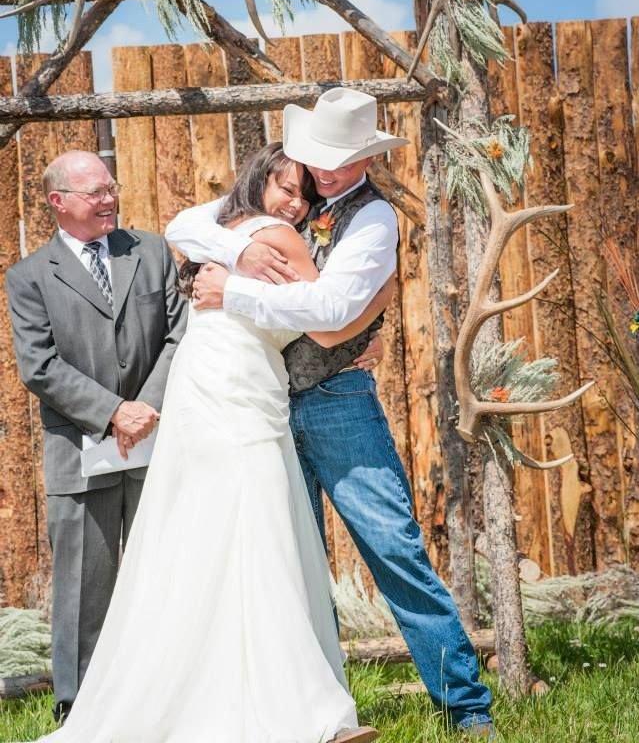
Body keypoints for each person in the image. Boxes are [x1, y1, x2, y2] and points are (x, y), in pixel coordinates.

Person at [29, 142, 387, 743]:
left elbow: (190, 230)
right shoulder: (278, 236)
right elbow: (324, 321)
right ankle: (293, 707)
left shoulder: (219, 230)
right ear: (258, 182)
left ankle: (199, 689)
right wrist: (371, 314)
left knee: (201, 531)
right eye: (284, 188)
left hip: (206, 381)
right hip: (237, 389)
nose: (294, 204)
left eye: (304, 194)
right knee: (258, 526)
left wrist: (237, 268)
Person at [166, 87, 495, 738]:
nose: (326, 172)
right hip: (260, 407)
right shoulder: (291, 194)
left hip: (335, 399)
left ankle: (465, 704)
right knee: (290, 562)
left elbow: (329, 315)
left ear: (367, 158)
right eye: (319, 158)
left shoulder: (371, 220)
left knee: (391, 548)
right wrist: (241, 254)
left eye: (341, 161)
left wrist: (232, 288)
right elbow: (184, 224)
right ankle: (315, 710)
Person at [5, 151, 187, 725]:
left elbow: (183, 334)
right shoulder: (28, 277)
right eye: (94, 193)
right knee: (84, 587)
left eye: (112, 187)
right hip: (79, 453)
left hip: (160, 444)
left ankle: (175, 694)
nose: (109, 199)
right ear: (58, 202)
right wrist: (112, 412)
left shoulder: (151, 251)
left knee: (172, 573)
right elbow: (40, 366)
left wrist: (146, 407)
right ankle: (78, 709)